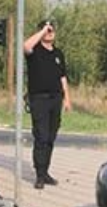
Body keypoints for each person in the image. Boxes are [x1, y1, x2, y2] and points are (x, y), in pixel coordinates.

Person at [23, 20, 71, 190]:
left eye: (52, 30)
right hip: (39, 99)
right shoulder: (34, 51)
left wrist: (67, 99)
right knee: (41, 137)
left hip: (55, 99)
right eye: (47, 30)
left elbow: (62, 77)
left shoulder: (58, 53)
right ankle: (39, 175)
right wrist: (43, 30)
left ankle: (45, 172)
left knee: (51, 137)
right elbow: (25, 46)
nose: (50, 33)